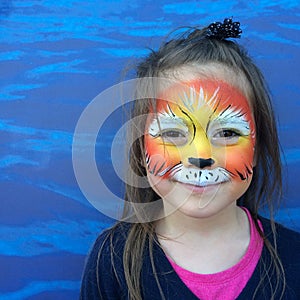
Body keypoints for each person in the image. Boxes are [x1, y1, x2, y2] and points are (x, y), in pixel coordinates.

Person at [80, 18, 300, 299]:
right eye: (172, 133)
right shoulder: (112, 260)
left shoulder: (294, 259)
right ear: (141, 150)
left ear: (256, 149)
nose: (200, 156)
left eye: (228, 132)